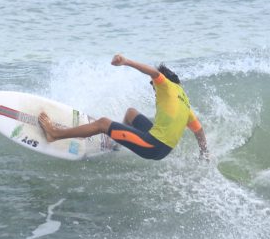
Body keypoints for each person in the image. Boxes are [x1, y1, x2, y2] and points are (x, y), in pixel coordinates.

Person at [38, 54, 209, 161]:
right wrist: (204, 153)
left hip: (153, 146)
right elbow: (199, 132)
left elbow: (154, 73)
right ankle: (116, 143)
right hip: (162, 147)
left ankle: (55, 134)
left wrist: (126, 61)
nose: (154, 89)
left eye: (153, 85)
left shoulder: (165, 85)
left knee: (103, 123)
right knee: (130, 113)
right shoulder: (184, 102)